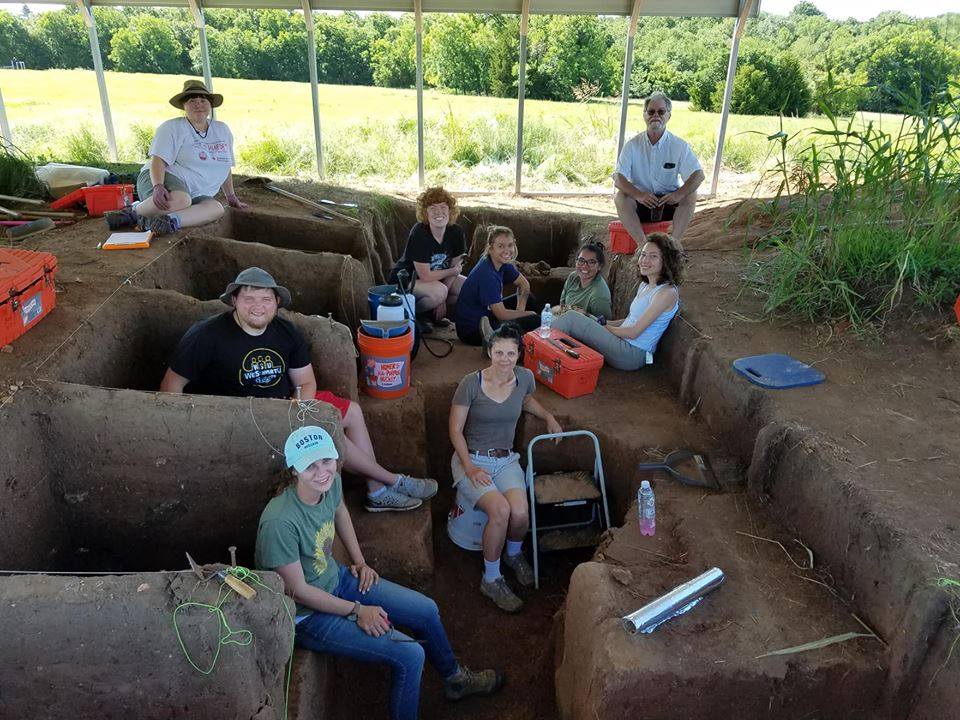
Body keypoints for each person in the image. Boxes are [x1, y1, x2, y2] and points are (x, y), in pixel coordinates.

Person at [256, 426, 503, 720]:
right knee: (410, 655)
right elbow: (297, 590)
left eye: (326, 461)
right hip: (307, 615)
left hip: (337, 580)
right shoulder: (279, 522)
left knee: (426, 609)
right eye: (310, 465)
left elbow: (340, 513)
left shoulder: (331, 482)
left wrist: (359, 562)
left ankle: (455, 679)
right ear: (295, 469)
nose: (321, 471)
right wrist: (359, 610)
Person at [159, 266, 436, 513]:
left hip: (289, 404)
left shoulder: (286, 332)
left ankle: (376, 492)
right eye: (249, 299)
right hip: (242, 417)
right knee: (328, 428)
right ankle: (392, 481)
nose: (258, 306)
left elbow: (305, 381)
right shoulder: (206, 336)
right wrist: (189, 432)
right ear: (234, 301)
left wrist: (297, 407)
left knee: (350, 411)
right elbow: (172, 385)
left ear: (277, 302)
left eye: (266, 299)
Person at [448, 323, 562, 612]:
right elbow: (455, 430)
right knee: (500, 510)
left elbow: (525, 400)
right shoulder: (470, 383)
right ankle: (491, 577)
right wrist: (471, 467)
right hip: (471, 459)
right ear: (490, 352)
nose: (504, 359)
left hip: (506, 459)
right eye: (499, 352)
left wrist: (548, 416)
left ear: (519, 355)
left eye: (511, 353)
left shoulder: (524, 378)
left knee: (521, 513)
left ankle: (512, 554)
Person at [105, 80, 246, 236]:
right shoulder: (172, 128)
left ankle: (168, 221)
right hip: (162, 177)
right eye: (192, 101)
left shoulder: (222, 130)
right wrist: (158, 186)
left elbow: (224, 166)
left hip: (197, 192)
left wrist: (231, 196)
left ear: (210, 105)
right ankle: (132, 213)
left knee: (216, 208)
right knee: (181, 199)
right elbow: (158, 160)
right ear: (184, 106)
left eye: (203, 100)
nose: (198, 104)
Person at [550, 233, 683, 371]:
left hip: (632, 353)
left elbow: (633, 332)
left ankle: (535, 344)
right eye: (643, 255)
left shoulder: (666, 293)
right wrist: (602, 322)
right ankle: (540, 343)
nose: (645, 260)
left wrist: (604, 328)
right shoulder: (646, 285)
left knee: (572, 318)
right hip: (623, 343)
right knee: (580, 315)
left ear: (666, 260)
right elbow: (631, 320)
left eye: (653, 256)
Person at [614, 91, 703, 250]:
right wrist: (638, 195)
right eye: (651, 111)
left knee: (691, 194)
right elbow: (619, 178)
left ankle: (673, 245)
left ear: (668, 116)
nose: (656, 115)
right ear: (644, 115)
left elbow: (698, 175)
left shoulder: (679, 146)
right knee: (620, 197)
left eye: (661, 112)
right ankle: (642, 246)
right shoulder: (632, 145)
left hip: (669, 202)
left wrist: (678, 194)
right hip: (641, 202)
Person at [390, 187, 466, 326]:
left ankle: (431, 315)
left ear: (450, 210)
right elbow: (425, 276)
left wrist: (443, 298)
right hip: (408, 280)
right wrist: (450, 276)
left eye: (443, 207)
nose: (439, 212)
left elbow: (455, 267)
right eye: (432, 208)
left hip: (436, 280)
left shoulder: (456, 232)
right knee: (439, 292)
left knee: (466, 287)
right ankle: (413, 317)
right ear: (425, 213)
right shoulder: (419, 233)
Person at [455, 226, 542, 346]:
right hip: (472, 331)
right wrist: (528, 315)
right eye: (500, 246)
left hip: (487, 314)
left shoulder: (502, 262)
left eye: (510, 245)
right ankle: (492, 340)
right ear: (491, 249)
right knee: (535, 319)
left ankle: (507, 336)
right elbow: (502, 315)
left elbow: (524, 285)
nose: (507, 250)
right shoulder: (487, 274)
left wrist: (520, 312)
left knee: (530, 299)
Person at [558, 241, 612, 319]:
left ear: (600, 266)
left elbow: (604, 325)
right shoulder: (573, 277)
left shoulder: (599, 295)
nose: (584, 266)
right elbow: (562, 304)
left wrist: (585, 315)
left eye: (591, 262)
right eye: (581, 260)